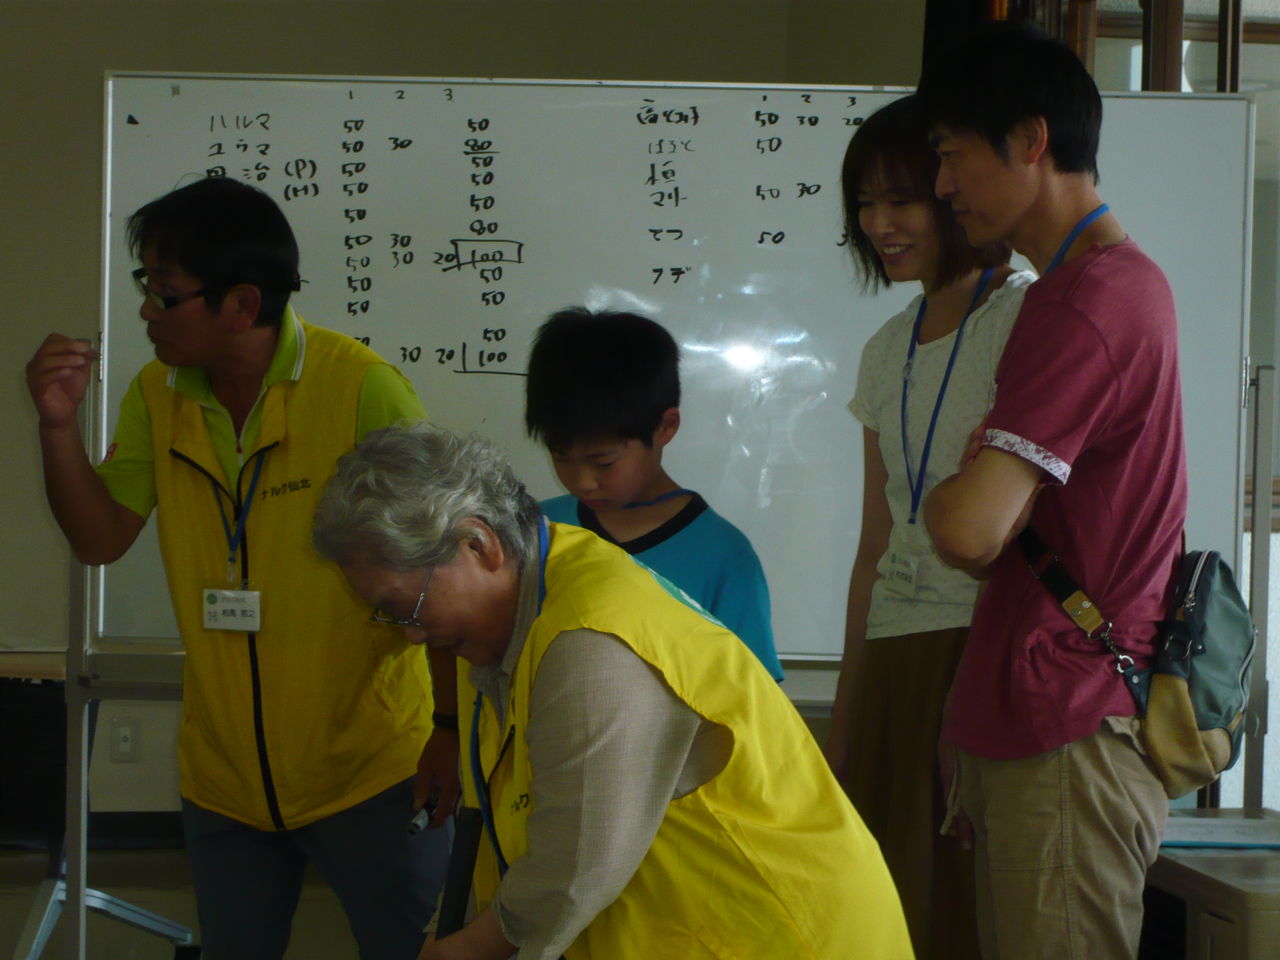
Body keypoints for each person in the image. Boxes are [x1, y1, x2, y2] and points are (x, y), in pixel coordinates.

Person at [25, 177, 456, 960]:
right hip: (223, 781)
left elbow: (442, 570)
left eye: (165, 293)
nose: (146, 311)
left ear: (242, 305)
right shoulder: (157, 393)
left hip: (371, 772)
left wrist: (451, 731)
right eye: (146, 287)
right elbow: (99, 538)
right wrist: (57, 427)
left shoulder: (361, 388)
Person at [312, 422, 914, 960]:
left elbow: (577, 862)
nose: (412, 634)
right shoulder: (506, 620)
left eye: (406, 607)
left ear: (479, 545)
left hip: (772, 934)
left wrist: (468, 948)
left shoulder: (591, 639)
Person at [917, 24, 1185, 960]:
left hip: (1066, 718)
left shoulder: (1090, 297)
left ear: (1031, 140)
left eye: (952, 154)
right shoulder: (1082, 289)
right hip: (1049, 710)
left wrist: (948, 495)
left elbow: (969, 529)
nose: (941, 185)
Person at [825, 94, 1032, 960]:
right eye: (865, 204)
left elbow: (1020, 529)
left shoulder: (1021, 317)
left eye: (901, 199)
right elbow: (874, 547)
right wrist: (847, 715)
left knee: (958, 910)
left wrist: (973, 696)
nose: (880, 225)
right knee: (885, 911)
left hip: (983, 648)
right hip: (893, 652)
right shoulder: (886, 347)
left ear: (951, 192)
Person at [525, 306, 784, 681]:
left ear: (666, 426)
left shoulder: (723, 556)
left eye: (603, 462)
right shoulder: (533, 532)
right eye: (561, 457)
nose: (582, 482)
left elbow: (753, 692)